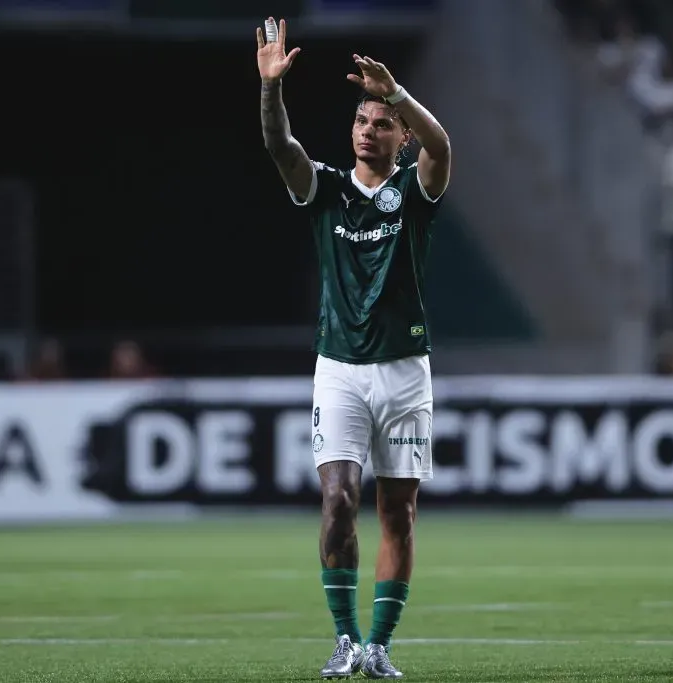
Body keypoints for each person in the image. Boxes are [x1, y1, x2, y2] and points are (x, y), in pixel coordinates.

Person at [256, 17, 451, 680]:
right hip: (338, 368)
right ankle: (344, 640)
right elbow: (279, 144)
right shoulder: (326, 190)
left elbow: (443, 146)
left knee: (399, 512)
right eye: (362, 119)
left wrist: (400, 96)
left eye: (381, 121)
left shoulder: (412, 193)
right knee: (338, 499)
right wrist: (270, 89)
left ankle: (379, 646)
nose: (368, 128)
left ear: (398, 134)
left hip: (404, 369)